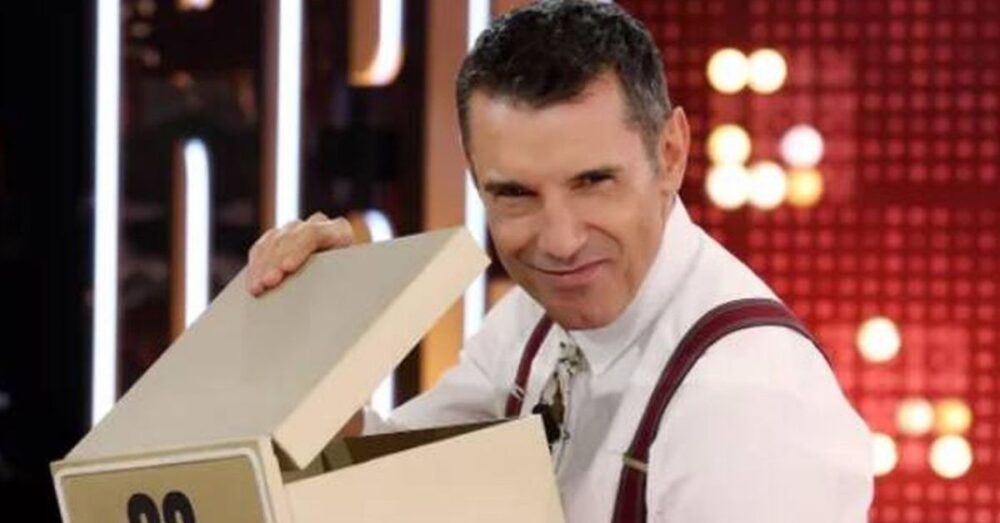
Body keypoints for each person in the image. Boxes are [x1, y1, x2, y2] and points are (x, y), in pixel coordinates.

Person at [245, 1, 873, 521]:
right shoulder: (532, 324)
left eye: (593, 182)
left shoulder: (748, 406)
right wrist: (314, 330)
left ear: (671, 154)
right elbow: (379, 483)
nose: (561, 241)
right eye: (515, 194)